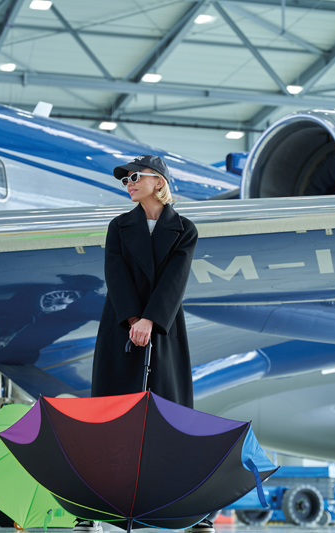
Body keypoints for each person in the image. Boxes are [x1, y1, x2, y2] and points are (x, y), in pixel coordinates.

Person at [73, 155, 209, 533]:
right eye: (125, 180)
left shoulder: (184, 229)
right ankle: (93, 506)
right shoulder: (119, 226)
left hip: (164, 328)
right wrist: (134, 319)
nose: (129, 183)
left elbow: (175, 280)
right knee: (111, 415)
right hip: (121, 325)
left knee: (170, 416)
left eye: (135, 176)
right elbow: (115, 275)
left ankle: (187, 508)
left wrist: (151, 320)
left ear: (158, 182)